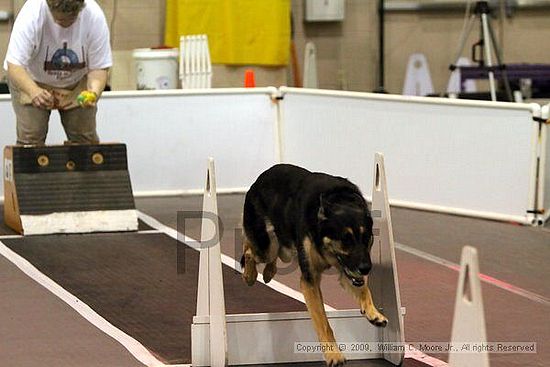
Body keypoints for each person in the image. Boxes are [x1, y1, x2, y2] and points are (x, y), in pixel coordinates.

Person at [4, 0, 112, 145]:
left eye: (71, 19)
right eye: (60, 19)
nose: (65, 24)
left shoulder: (94, 16)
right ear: (48, 7)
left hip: (76, 81)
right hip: (31, 78)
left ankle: (84, 166)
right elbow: (14, 65)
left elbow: (99, 67)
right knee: (31, 139)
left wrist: (94, 92)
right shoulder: (32, 14)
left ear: (80, 9)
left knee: (85, 141)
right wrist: (33, 90)